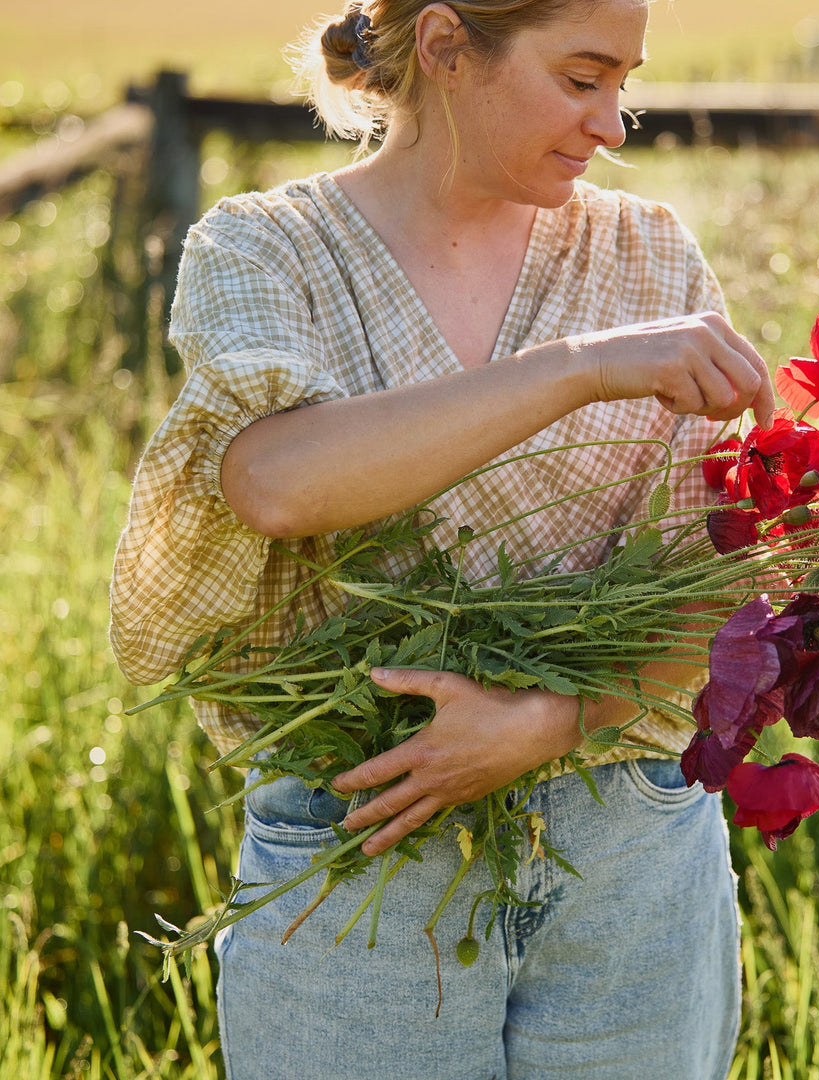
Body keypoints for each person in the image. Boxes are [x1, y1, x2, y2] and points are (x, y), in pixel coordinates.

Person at [110, 1, 775, 1076]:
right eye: (581, 78)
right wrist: (580, 366)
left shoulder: (646, 251)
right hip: (367, 844)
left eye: (626, 84)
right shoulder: (266, 248)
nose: (614, 124)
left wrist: (551, 724)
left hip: (630, 848)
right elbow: (275, 482)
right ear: (446, 46)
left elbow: (721, 585)